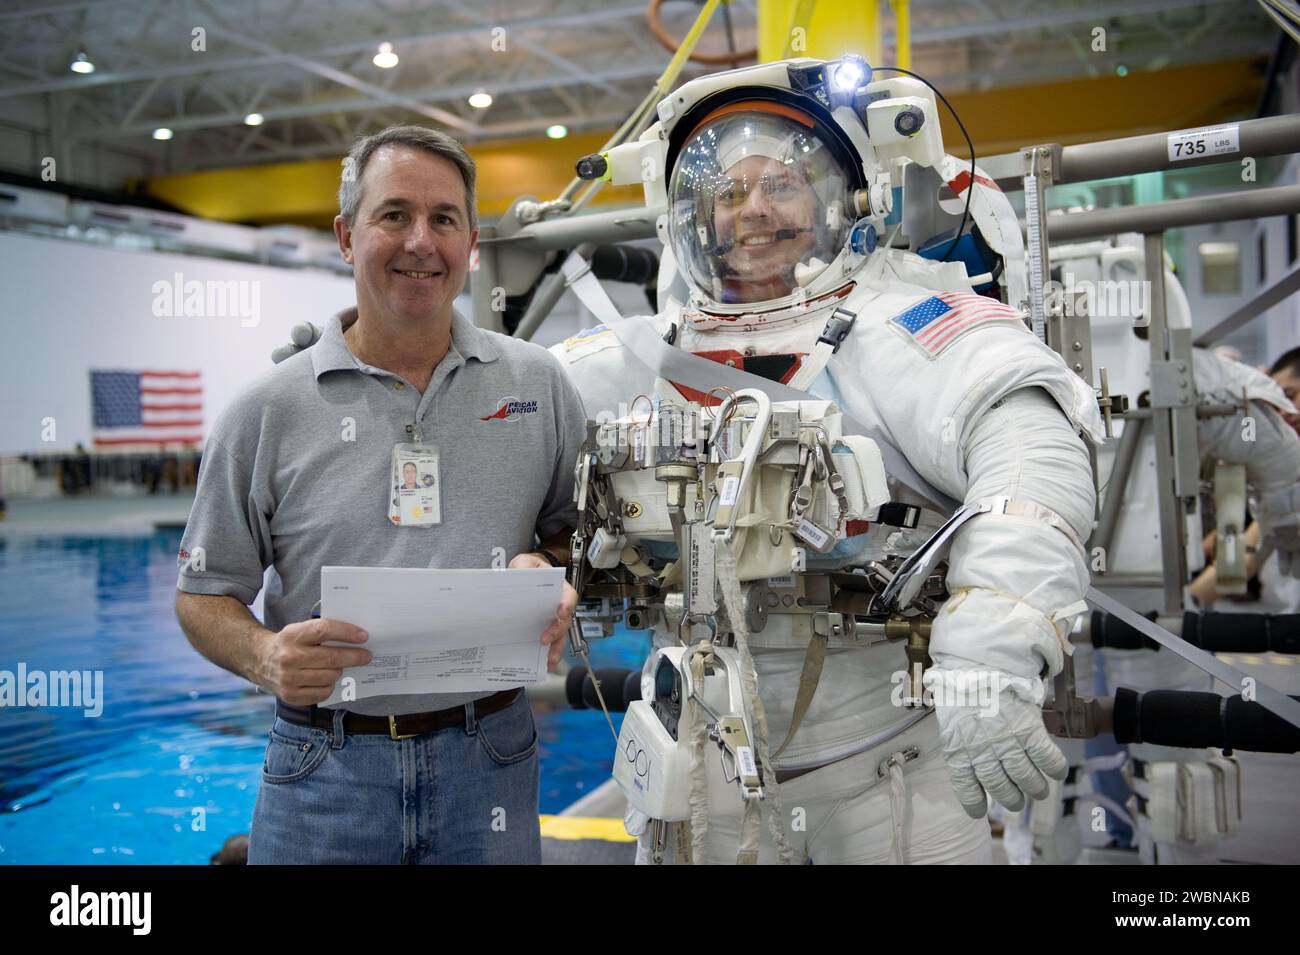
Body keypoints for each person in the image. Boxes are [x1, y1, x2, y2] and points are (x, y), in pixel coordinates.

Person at [176, 125, 587, 865]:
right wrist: (266, 654)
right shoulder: (265, 410)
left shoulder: (538, 385)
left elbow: (582, 535)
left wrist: (551, 568)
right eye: (394, 214)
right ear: (345, 235)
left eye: (444, 218)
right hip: (324, 767)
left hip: (489, 757)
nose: (420, 242)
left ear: (472, 245)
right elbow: (202, 593)